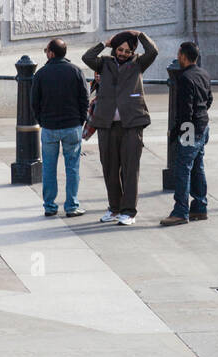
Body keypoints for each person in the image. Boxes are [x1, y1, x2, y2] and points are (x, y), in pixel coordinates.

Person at [82, 30, 159, 225]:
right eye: (120, 49)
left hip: (132, 123)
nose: (123, 53)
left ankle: (128, 211)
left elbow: (154, 51)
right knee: (109, 168)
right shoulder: (104, 63)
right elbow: (87, 57)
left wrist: (141, 35)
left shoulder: (139, 63)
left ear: (133, 51)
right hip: (106, 124)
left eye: (127, 50)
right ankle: (114, 208)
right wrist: (105, 43)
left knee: (130, 168)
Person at [31, 38, 89, 218]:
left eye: (46, 50)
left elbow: (34, 103)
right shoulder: (76, 71)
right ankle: (71, 206)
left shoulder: (41, 74)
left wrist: (42, 120)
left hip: (49, 127)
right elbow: (84, 99)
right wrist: (80, 120)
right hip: (72, 125)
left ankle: (49, 205)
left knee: (49, 167)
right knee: (72, 167)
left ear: (51, 53)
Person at [160, 41, 213, 226]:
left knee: (183, 168)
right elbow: (209, 100)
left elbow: (185, 111)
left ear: (183, 56)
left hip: (190, 127)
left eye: (178, 54)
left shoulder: (184, 78)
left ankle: (180, 211)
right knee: (197, 166)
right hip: (203, 125)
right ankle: (199, 206)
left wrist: (177, 132)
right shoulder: (203, 74)